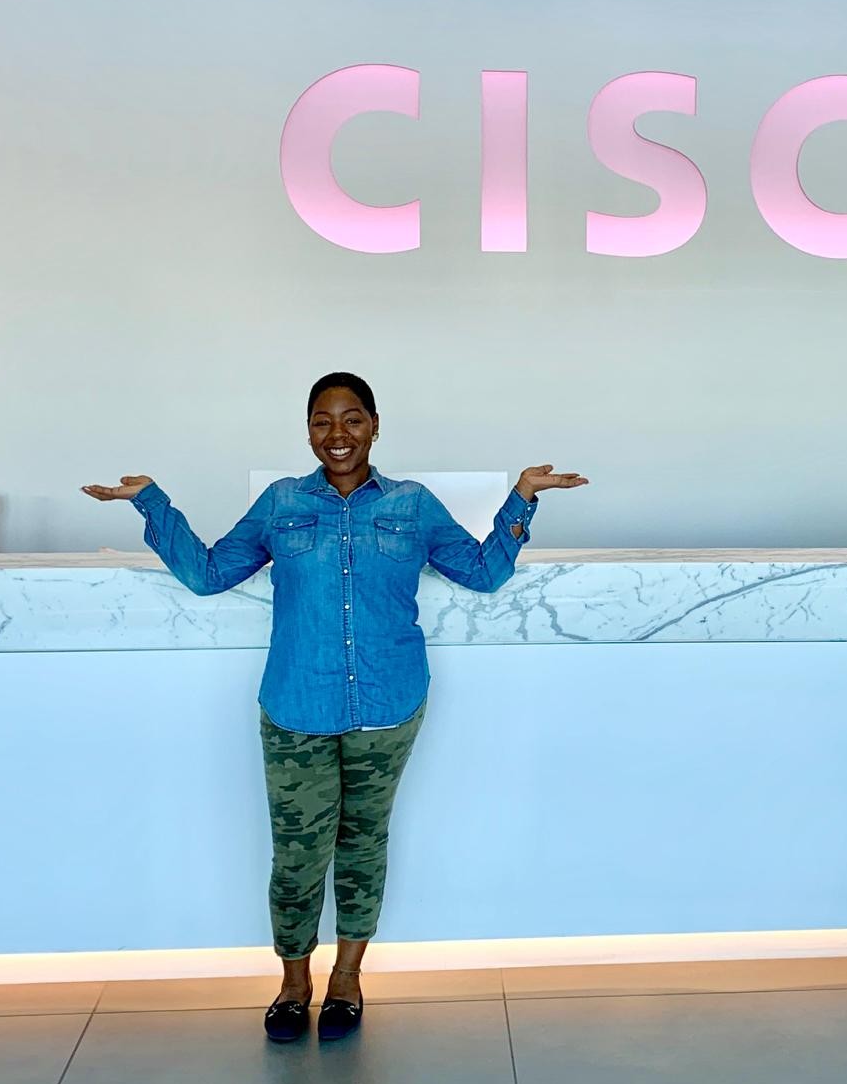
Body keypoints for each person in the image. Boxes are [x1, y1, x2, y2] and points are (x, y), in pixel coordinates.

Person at [81, 371, 587, 1042]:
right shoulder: (281, 503)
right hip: (297, 705)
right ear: (308, 430)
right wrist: (151, 502)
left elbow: (486, 572)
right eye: (323, 420)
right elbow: (207, 574)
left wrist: (522, 497)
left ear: (376, 425)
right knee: (296, 853)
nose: (338, 433)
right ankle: (294, 982)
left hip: (389, 702)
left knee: (362, 843)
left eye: (352, 418)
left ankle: (348, 977)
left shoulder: (411, 504)